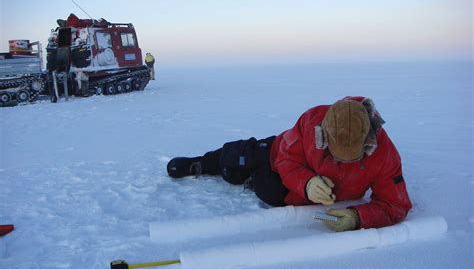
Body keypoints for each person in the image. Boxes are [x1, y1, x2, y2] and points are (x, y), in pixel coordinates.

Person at [167, 96, 412, 232]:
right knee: (237, 158)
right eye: (334, 153)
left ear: (367, 142)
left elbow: (395, 204)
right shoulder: (313, 119)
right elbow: (287, 158)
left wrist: (358, 218)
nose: (339, 161)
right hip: (275, 153)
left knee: (265, 189)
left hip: (286, 191)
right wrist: (307, 183)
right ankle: (200, 163)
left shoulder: (385, 155)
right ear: (324, 133)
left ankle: (248, 179)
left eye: (349, 157)